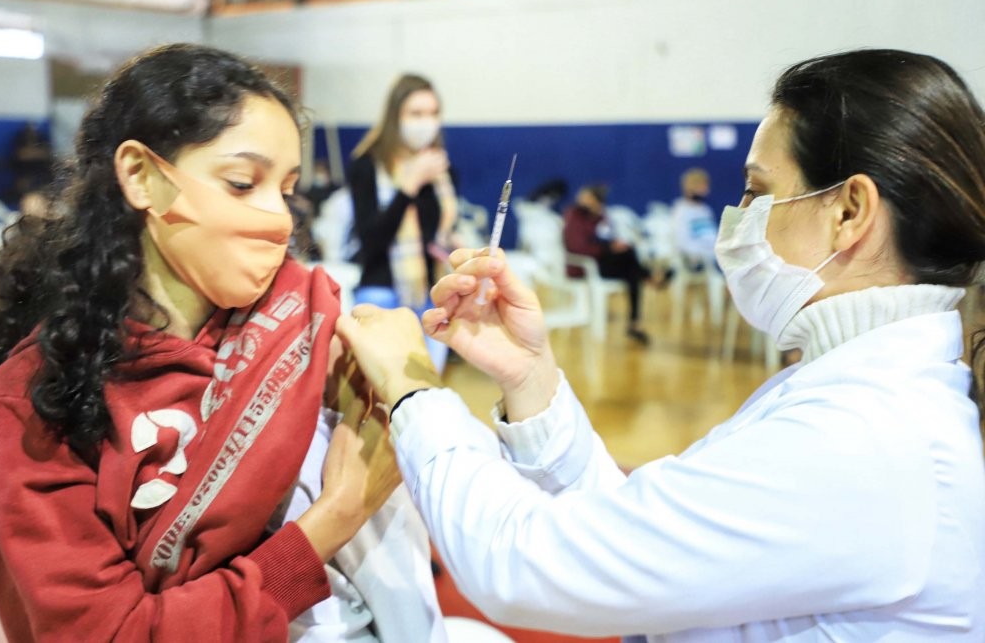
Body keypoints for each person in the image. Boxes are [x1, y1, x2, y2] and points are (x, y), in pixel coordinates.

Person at [337, 49, 985, 640]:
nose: (739, 217)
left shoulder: (868, 434)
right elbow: (633, 527)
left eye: (757, 193)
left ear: (848, 212)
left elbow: (524, 562)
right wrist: (532, 378)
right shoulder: (850, 387)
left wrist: (415, 390)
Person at [0, 43, 429, 642]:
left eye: (285, 190)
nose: (279, 220)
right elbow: (115, 634)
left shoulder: (300, 314)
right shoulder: (32, 409)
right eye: (241, 183)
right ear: (142, 177)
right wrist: (335, 517)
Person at [347, 73, 458, 312]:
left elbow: (433, 235)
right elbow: (371, 241)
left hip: (430, 295)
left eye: (433, 113)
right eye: (416, 114)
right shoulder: (367, 165)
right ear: (395, 117)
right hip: (381, 293)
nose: (426, 122)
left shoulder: (440, 171)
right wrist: (408, 187)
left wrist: (452, 243)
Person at [563, 183, 652, 343]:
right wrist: (607, 247)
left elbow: (606, 237)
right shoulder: (574, 216)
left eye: (587, 198)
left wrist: (612, 244)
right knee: (630, 260)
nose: (582, 200)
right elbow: (578, 247)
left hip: (602, 262)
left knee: (631, 269)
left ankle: (635, 323)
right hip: (584, 266)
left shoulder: (601, 217)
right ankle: (649, 277)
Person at [669, 167, 718, 271]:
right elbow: (681, 242)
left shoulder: (705, 210)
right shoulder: (681, 210)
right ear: (690, 187)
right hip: (695, 260)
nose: (706, 190)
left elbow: (713, 236)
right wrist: (706, 253)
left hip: (714, 254)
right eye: (702, 186)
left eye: (706, 186)